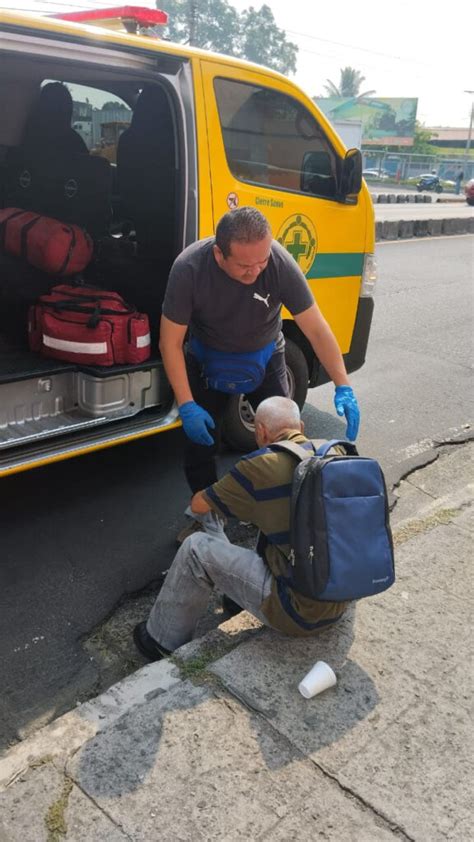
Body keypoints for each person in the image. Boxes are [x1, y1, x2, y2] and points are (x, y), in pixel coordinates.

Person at [159, 207, 360, 540]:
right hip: (207, 360)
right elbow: (170, 343)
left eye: (261, 261)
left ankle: (283, 505)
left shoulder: (277, 262)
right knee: (200, 444)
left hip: (265, 358)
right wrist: (187, 405)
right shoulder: (189, 268)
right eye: (244, 265)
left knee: (285, 438)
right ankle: (208, 518)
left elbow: (316, 328)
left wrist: (344, 386)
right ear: (219, 253)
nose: (255, 271)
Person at [133, 396, 349, 661]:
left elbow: (199, 505)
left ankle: (160, 640)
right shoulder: (335, 454)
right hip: (340, 598)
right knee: (278, 518)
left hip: (298, 613)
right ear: (301, 427)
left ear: (260, 432)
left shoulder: (261, 465)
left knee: (195, 549)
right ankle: (237, 598)